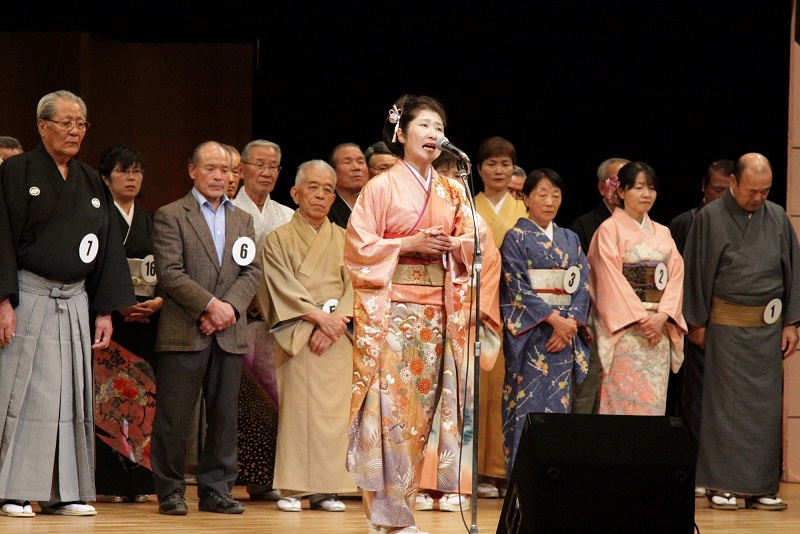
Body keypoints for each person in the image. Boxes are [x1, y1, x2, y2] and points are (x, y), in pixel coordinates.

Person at [0, 90, 134, 518]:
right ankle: (12, 489)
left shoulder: (91, 180)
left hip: (75, 298)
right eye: (67, 122)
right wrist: (3, 300)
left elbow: (108, 247)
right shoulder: (16, 172)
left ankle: (64, 491)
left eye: (82, 124)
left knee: (71, 398)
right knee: (22, 393)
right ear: (42, 126)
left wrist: (105, 309)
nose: (76, 130)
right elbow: (1, 238)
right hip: (30, 295)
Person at [345, 94, 475, 534]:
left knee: (421, 414)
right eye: (424, 125)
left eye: (439, 127)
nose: (434, 134)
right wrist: (408, 244)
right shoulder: (380, 188)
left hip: (437, 315)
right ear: (400, 134)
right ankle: (389, 515)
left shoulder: (454, 189)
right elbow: (359, 249)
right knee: (391, 413)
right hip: (393, 314)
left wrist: (454, 245)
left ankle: (398, 510)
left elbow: (476, 244)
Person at [683, 153, 800, 511]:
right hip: (726, 326)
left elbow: (793, 272)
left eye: (765, 191)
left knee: (764, 411)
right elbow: (697, 270)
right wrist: (697, 322)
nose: (759, 197)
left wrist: (792, 323)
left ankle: (761, 485)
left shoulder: (778, 217)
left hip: (767, 330)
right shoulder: (710, 217)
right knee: (724, 410)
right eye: (753, 190)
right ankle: (724, 483)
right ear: (733, 182)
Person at [149, 141, 261, 516]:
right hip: (184, 330)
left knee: (225, 418)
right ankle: (170, 490)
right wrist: (210, 306)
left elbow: (252, 271)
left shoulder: (243, 218)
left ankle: (216, 489)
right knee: (174, 418)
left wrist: (228, 308)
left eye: (227, 170)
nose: (220, 176)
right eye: (211, 168)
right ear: (192, 170)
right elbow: (170, 272)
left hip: (229, 332)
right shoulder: (171, 214)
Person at [258, 159, 357, 513]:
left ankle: (328, 488)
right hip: (300, 333)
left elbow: (355, 286)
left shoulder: (344, 238)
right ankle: (293, 487)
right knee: (298, 414)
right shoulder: (278, 239)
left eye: (328, 189)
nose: (320, 195)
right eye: (312, 187)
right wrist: (317, 319)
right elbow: (278, 285)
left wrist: (336, 322)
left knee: (334, 414)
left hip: (336, 338)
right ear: (295, 193)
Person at [414, 152, 503, 513]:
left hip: (462, 323)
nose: (448, 181)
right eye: (442, 173)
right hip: (424, 318)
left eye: (454, 174)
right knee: (420, 402)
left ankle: (456, 484)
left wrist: (470, 312)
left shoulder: (477, 224)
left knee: (458, 406)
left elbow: (490, 268)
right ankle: (418, 481)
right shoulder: (417, 216)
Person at [499, 168, 591, 474]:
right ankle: (522, 477)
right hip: (533, 334)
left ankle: (553, 474)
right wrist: (553, 319)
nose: (550, 201)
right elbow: (516, 285)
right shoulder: (516, 237)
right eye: (541, 194)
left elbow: (582, 284)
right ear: (525, 198)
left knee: (559, 407)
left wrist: (570, 325)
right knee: (526, 404)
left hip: (562, 337)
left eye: (556, 195)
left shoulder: (570, 238)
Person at [587, 161, 687, 415]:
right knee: (619, 404)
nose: (646, 195)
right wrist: (643, 320)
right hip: (626, 332)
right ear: (620, 192)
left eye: (651, 189)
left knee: (652, 406)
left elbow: (675, 276)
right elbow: (608, 279)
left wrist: (663, 315)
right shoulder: (608, 231)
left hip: (658, 331)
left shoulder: (663, 232)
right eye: (639, 188)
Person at [94, 144, 161, 504]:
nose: (132, 177)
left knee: (141, 403)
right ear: (106, 178)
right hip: (109, 321)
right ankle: (110, 481)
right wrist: (115, 304)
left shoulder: (152, 221)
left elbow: (166, 267)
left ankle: (139, 483)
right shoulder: (97, 218)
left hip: (146, 321)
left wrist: (160, 299)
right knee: (108, 402)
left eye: (136, 171)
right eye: (123, 171)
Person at [232, 139, 292, 502]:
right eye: (260, 164)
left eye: (274, 166)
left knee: (271, 400)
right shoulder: (227, 209)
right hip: (233, 319)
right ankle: (226, 477)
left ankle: (264, 478)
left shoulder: (286, 215)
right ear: (241, 169)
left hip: (272, 322)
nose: (267, 172)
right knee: (232, 401)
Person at [667, 159, 733, 479]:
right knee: (692, 399)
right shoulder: (684, 223)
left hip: (733, 326)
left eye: (729, 191)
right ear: (703, 188)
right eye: (717, 190)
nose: (723, 197)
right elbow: (675, 277)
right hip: (693, 323)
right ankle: (691, 468)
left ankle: (722, 470)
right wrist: (689, 321)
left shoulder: (742, 225)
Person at [473, 135, 527, 498]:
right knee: (478, 389)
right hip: (476, 308)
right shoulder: (466, 205)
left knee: (513, 388)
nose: (498, 170)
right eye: (491, 164)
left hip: (518, 311)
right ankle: (475, 469)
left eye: (505, 164)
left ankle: (502, 469)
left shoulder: (524, 211)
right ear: (479, 170)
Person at [569, 156, 629, 415]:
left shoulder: (649, 229)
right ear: (603, 187)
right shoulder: (584, 224)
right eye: (617, 182)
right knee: (587, 397)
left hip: (631, 323)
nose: (622, 189)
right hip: (594, 319)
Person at [328, 142, 368, 228]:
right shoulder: (326, 209)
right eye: (347, 162)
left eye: (361, 162)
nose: (356, 167)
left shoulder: (375, 205)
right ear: (333, 171)